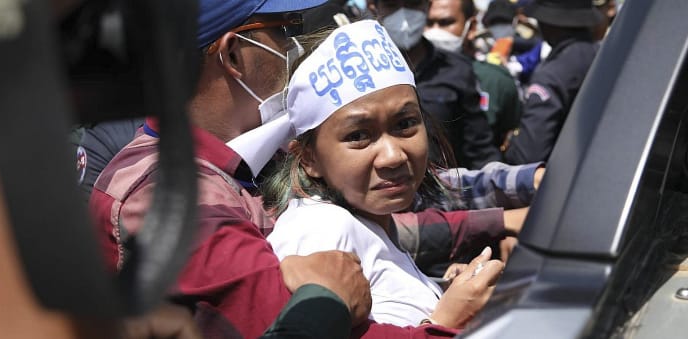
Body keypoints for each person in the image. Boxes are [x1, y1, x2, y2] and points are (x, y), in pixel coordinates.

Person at [88, 0, 508, 337]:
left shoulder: (241, 164)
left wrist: (500, 221)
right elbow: (301, 322)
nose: (295, 48)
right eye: (284, 30)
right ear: (234, 54)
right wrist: (442, 324)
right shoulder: (173, 199)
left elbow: (381, 226)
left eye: (405, 125)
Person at [263, 20, 503, 328]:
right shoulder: (321, 231)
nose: (393, 156)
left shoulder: (369, 220)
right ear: (309, 158)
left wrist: (439, 289)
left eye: (404, 124)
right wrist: (445, 320)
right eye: (359, 135)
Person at [369, 0, 502, 169]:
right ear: (373, 8)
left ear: (428, 6)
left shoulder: (457, 69)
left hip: (444, 189)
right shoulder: (362, 71)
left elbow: (479, 149)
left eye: (413, 4)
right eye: (392, 5)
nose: (404, 16)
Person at [498, 0, 604, 164]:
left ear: (548, 22)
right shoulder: (601, 55)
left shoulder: (552, 75)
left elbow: (528, 155)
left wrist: (512, 142)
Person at [425, 0, 523, 149]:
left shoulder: (496, 81)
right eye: (429, 23)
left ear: (471, 28)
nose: (434, 32)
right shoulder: (406, 79)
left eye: (445, 23)